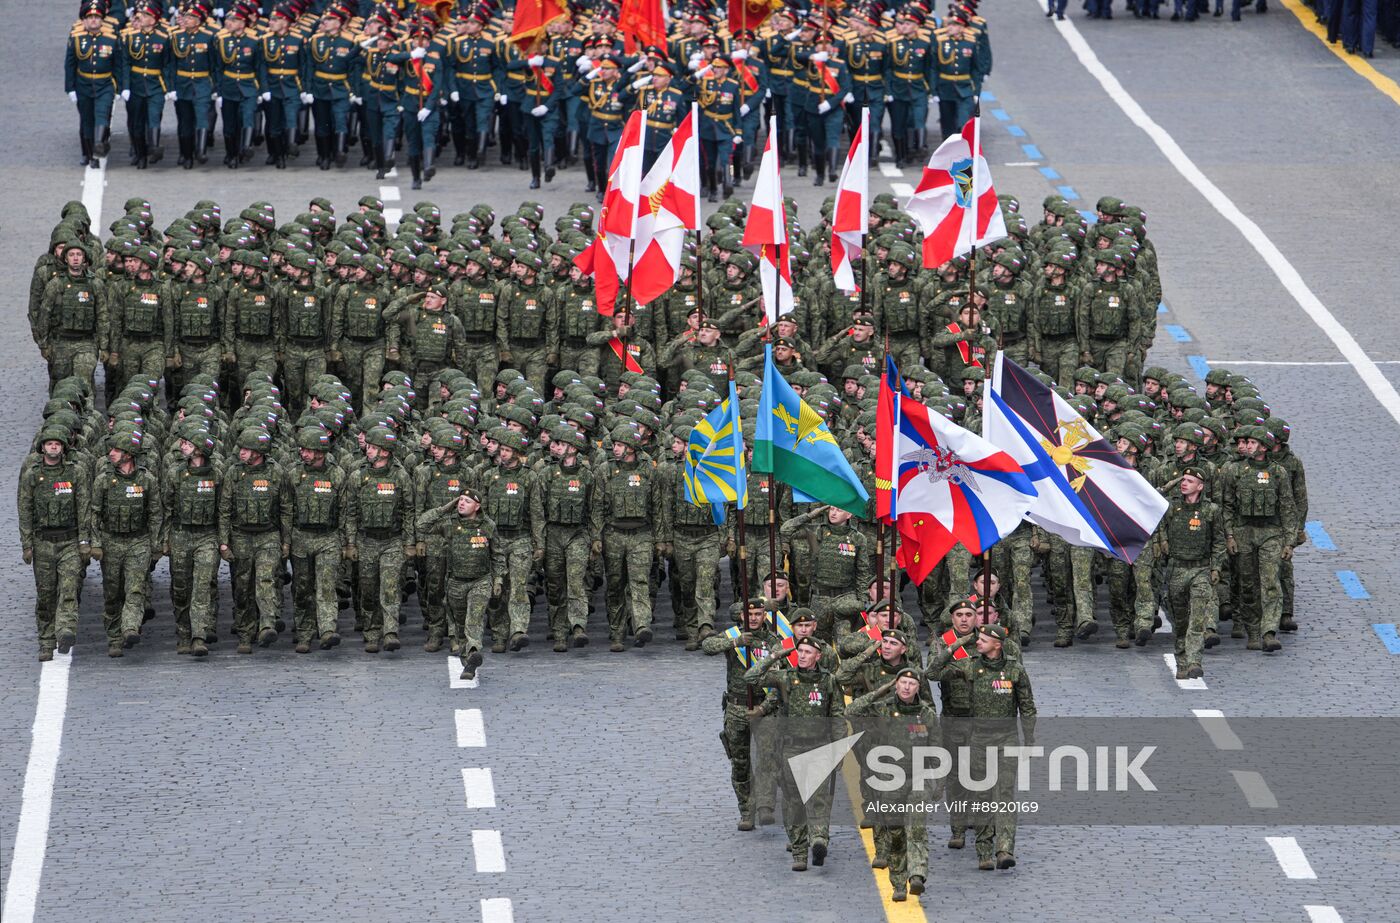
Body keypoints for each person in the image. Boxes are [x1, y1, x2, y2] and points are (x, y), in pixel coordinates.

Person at [931, 623, 1035, 871]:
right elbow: (933, 672)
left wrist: (1029, 739)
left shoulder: (1015, 670)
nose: (977, 641)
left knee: (1005, 796)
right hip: (978, 740)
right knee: (982, 795)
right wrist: (956, 643)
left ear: (997, 644)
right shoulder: (971, 666)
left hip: (1007, 740)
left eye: (983, 639)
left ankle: (1005, 849)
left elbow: (1027, 706)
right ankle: (984, 851)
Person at [745, 636, 845, 872]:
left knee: (818, 798)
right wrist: (775, 656)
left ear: (818, 656)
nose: (802, 655)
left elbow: (838, 717)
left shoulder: (829, 681)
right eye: (799, 651)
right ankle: (799, 851)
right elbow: (751, 678)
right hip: (790, 748)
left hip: (819, 747)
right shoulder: (786, 678)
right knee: (794, 802)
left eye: (808, 652)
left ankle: (819, 839)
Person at [847, 667, 939, 900]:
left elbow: (938, 751)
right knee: (896, 833)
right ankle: (899, 882)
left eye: (912, 683)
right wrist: (881, 690)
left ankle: (917, 874)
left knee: (916, 828)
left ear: (919, 688)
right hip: (890, 780)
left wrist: (938, 783)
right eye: (902, 683)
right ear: (895, 685)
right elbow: (851, 710)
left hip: (919, 778)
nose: (907, 687)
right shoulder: (883, 708)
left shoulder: (926, 714)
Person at [701, 598, 781, 831]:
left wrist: (767, 706)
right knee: (740, 762)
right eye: (750, 614)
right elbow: (707, 647)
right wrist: (734, 642)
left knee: (767, 758)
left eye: (758, 614)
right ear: (742, 616)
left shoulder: (773, 641)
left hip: (764, 707)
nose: (754, 618)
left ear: (764, 616)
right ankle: (746, 809)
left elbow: (779, 677)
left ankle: (765, 805)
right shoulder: (733, 635)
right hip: (737, 707)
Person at [18, 427, 90, 662]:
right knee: (46, 595)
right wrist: (27, 545)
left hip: (69, 541)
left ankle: (66, 631)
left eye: (57, 444)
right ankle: (46, 641)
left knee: (68, 589)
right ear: (42, 447)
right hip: (43, 543)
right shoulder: (32, 475)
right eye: (49, 444)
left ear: (63, 448)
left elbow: (84, 507)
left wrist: (84, 541)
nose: (53, 447)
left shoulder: (74, 472)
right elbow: (25, 510)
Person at [1223, 426, 1296, 653]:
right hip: (1244, 532)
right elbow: (1227, 506)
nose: (1248, 446)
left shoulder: (1278, 472)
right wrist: (1230, 535)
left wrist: (1289, 541)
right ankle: (1253, 629)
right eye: (1247, 443)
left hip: (1271, 533)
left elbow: (1287, 507)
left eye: (1253, 443)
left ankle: (1269, 631)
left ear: (1263, 447)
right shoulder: (1235, 471)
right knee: (1247, 584)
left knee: (1270, 582)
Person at [92, 428, 164, 657]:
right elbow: (93, 513)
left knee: (135, 589)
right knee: (113, 593)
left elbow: (155, 514)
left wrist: (155, 545)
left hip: (138, 542)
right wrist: (95, 543)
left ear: (129, 454)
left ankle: (130, 628)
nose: (111, 453)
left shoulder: (147, 479)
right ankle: (114, 637)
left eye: (116, 450)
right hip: (111, 541)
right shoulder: (103, 481)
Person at [346, 425, 416, 654]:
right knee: (368, 588)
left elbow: (408, 511)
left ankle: (390, 632)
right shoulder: (358, 476)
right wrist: (351, 543)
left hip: (392, 541)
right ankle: (371, 632)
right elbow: (351, 513)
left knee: (390, 587)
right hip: (366, 541)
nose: (368, 450)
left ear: (385, 451)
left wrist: (409, 543)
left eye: (373, 447)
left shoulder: (400, 476)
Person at [596, 423, 666, 651]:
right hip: (613, 534)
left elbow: (657, 507)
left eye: (619, 445)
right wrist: (596, 538)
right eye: (614, 445)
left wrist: (660, 539)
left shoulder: (648, 471)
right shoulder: (604, 471)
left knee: (640, 581)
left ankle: (641, 625)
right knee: (615, 583)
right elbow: (597, 507)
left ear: (632, 447)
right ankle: (617, 632)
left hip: (641, 534)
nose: (615, 449)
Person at [219, 427, 288, 654]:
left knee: (266, 579)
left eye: (247, 449)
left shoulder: (275, 472)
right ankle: (245, 633)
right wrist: (224, 542)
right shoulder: (233, 473)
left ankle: (267, 624)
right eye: (241, 448)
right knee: (243, 586)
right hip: (241, 536)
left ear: (258, 451)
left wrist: (285, 540)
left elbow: (286, 508)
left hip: (268, 535)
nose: (241, 453)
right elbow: (225, 509)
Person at [419, 488, 498, 681]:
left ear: (477, 506)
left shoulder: (488, 526)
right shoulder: (450, 524)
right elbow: (421, 525)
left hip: (480, 581)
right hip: (455, 583)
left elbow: (497, 555)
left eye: (467, 501)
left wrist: (499, 580)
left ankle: (473, 651)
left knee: (474, 619)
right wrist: (445, 508)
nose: (462, 503)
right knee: (461, 624)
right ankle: (468, 659)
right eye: (460, 500)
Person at [286, 426, 351, 653]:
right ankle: (304, 633)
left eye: (307, 449)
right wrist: (286, 541)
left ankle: (327, 630)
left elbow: (345, 510)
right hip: (301, 538)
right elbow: (286, 509)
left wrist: (345, 542)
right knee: (302, 587)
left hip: (328, 538)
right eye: (302, 449)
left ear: (320, 451)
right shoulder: (294, 474)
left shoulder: (337, 474)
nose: (303, 453)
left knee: (326, 586)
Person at [1156, 467, 1225, 679]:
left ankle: (1195, 660)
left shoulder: (1210, 511)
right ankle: (1182, 662)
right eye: (1183, 480)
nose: (1184, 484)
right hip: (1177, 570)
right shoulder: (1171, 508)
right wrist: (1163, 541)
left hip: (1200, 569)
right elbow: (1157, 520)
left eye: (1190, 481)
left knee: (1197, 619)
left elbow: (1218, 541)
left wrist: (1216, 567)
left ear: (1200, 487)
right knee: (1180, 621)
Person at [162, 419, 221, 657]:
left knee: (202, 586)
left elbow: (222, 509)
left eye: (187, 443)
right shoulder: (175, 473)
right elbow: (166, 507)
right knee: (181, 587)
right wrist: (164, 540)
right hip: (180, 535)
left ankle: (199, 635)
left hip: (207, 536)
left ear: (199, 449)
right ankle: (183, 633)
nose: (182, 446)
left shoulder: (217, 474)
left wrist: (223, 538)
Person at [66, 0, 122, 167]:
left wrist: (119, 87)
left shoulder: (111, 39)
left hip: (104, 84)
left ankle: (98, 148)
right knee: (86, 121)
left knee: (102, 115)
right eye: (89, 17)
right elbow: (70, 65)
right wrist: (70, 88)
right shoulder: (76, 39)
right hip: (83, 84)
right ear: (83, 20)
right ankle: (89, 154)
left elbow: (118, 66)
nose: (93, 20)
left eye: (97, 17)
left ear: (102, 20)